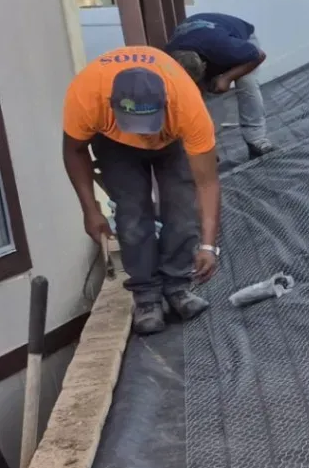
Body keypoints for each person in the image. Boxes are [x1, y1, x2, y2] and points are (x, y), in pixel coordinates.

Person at [62, 46, 222, 335]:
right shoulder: (87, 96)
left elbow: (207, 182)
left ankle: (177, 286)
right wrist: (90, 210)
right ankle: (147, 297)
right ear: (111, 104)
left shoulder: (187, 104)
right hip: (114, 143)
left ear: (165, 102)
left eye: (149, 125)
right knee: (132, 213)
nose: (144, 135)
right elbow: (74, 150)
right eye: (136, 125)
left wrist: (208, 246)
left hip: (171, 138)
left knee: (182, 206)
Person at [167, 12, 274, 159]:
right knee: (193, 100)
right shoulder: (166, 60)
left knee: (246, 81)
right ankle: (206, 148)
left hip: (239, 38)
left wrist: (227, 78)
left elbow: (259, 55)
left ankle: (256, 140)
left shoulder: (224, 46)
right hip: (203, 40)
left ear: (204, 66)